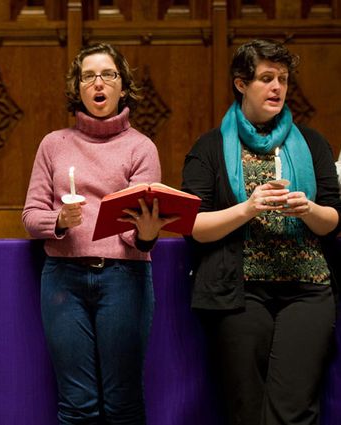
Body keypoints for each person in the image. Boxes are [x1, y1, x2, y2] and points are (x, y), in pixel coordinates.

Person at [181, 39, 341, 425]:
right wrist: (248, 208)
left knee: (294, 410)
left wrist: (309, 210)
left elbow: (334, 219)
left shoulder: (312, 142)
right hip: (240, 292)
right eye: (266, 78)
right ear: (241, 84)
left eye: (283, 80)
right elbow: (193, 226)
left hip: (307, 290)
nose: (277, 88)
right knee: (247, 410)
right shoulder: (211, 146)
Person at [22, 43, 178, 424]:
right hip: (63, 278)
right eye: (88, 76)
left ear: (123, 87)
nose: (98, 83)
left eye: (108, 75)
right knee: (77, 404)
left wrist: (144, 235)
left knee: (123, 402)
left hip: (124, 277)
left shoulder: (141, 147)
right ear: (77, 88)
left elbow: (140, 230)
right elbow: (30, 216)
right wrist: (59, 221)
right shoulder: (53, 144)